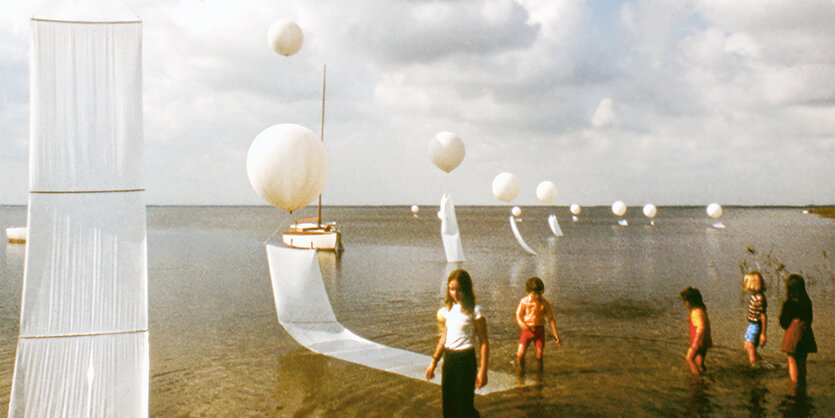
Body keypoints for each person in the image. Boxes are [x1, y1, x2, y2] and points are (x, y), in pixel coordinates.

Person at [426, 269, 489, 417]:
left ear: (466, 289)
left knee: (464, 407)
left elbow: (484, 342)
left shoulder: (475, 311)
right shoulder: (450, 310)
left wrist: (483, 371)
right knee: (448, 407)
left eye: (458, 289)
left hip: (466, 360)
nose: (454, 293)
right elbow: (444, 337)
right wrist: (434, 362)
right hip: (449, 359)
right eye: (451, 289)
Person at [515, 277, 561, 371]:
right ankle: (520, 372)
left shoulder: (545, 303)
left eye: (539, 293)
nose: (537, 296)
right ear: (529, 292)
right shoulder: (524, 302)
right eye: (534, 294)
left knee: (539, 355)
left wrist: (555, 335)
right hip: (527, 331)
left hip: (539, 331)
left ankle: (540, 376)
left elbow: (551, 319)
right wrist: (521, 324)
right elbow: (518, 315)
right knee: (520, 354)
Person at [779, 274, 817, 391]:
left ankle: (794, 386)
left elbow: (784, 322)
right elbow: (810, 319)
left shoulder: (789, 303)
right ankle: (802, 383)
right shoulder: (807, 301)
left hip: (793, 333)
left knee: (792, 360)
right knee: (802, 361)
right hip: (806, 332)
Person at [680, 287, 712, 376]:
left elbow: (701, 327)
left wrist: (695, 343)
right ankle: (703, 375)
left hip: (698, 341)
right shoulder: (702, 309)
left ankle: (697, 378)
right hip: (704, 340)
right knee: (699, 363)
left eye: (685, 301)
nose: (684, 303)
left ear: (691, 301)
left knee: (689, 358)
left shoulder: (696, 312)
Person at [743, 272, 769, 367]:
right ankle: (760, 363)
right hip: (752, 324)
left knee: (750, 346)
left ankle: (754, 364)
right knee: (747, 346)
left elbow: (763, 316)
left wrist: (763, 334)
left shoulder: (759, 298)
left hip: (755, 325)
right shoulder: (754, 296)